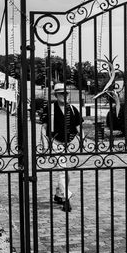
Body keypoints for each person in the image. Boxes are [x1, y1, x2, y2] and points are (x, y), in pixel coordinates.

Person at [41, 83, 82, 212]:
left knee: (66, 173)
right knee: (62, 171)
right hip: (54, 143)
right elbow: (44, 128)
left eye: (66, 93)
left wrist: (84, 140)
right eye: (61, 94)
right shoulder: (50, 109)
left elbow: (78, 127)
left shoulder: (73, 109)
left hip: (67, 145)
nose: (64, 96)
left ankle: (59, 194)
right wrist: (45, 144)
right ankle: (66, 199)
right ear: (56, 95)